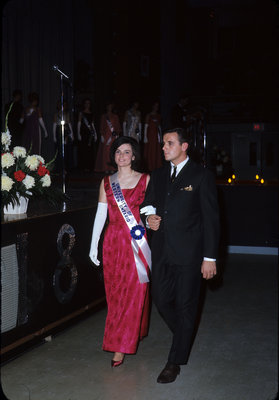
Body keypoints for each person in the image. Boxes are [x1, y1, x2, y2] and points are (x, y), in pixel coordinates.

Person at [140, 127, 219, 384]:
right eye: (164, 144)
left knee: (186, 306)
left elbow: (211, 220)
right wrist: (148, 217)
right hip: (162, 251)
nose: (163, 147)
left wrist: (210, 257)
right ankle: (184, 335)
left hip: (190, 255)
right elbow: (147, 203)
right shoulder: (159, 174)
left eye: (169, 143)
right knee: (162, 301)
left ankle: (174, 362)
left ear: (184, 146)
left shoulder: (201, 176)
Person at [89, 136, 151, 367]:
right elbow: (100, 216)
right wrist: (93, 245)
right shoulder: (107, 182)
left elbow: (151, 211)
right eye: (118, 152)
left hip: (136, 243)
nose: (122, 156)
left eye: (126, 152)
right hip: (113, 242)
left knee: (134, 292)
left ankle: (120, 346)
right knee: (116, 296)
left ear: (134, 155)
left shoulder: (146, 180)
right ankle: (130, 333)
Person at [94, 102, 121, 173]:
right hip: (106, 136)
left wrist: (117, 134)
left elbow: (117, 126)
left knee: (112, 152)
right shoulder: (104, 116)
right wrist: (102, 135)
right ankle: (105, 167)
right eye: (108, 106)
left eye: (111, 106)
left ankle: (112, 167)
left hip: (113, 136)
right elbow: (101, 126)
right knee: (105, 152)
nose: (110, 107)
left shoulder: (115, 116)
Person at [53, 100, 74, 174]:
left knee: (66, 150)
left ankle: (66, 167)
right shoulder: (56, 114)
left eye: (64, 105)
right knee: (59, 151)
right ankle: (60, 168)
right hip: (59, 132)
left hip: (66, 132)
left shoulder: (67, 114)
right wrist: (54, 136)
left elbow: (69, 124)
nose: (63, 107)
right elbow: (54, 125)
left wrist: (71, 134)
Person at [77, 98, 97, 172]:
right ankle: (83, 166)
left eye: (89, 103)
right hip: (83, 133)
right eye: (86, 103)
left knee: (90, 150)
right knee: (83, 150)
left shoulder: (92, 113)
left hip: (90, 134)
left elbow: (92, 124)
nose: (87, 105)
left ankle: (90, 166)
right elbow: (79, 123)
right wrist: (78, 133)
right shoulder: (81, 113)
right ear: (84, 104)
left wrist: (95, 134)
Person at [143, 101, 163, 171]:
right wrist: (145, 136)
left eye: (157, 106)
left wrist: (160, 136)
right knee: (150, 151)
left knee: (156, 151)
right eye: (155, 105)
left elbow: (159, 127)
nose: (156, 107)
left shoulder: (159, 116)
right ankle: (149, 166)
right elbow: (146, 126)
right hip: (150, 136)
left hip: (156, 136)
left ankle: (156, 166)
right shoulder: (149, 115)